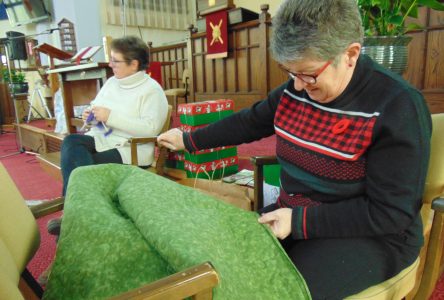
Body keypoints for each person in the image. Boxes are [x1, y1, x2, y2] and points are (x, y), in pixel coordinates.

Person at [157, 0, 431, 299]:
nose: (299, 86)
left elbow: (390, 213)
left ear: (350, 54)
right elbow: (249, 122)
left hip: (370, 235)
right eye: (291, 72)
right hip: (293, 215)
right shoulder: (296, 89)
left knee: (273, 291)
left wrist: (300, 222)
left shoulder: (396, 105)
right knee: (216, 262)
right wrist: (188, 140)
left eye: (309, 74)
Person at [42, 36, 168, 277]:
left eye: (116, 61)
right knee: (71, 142)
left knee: (82, 171)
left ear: (134, 64)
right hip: (103, 139)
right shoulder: (112, 83)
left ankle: (72, 221)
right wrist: (91, 114)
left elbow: (150, 129)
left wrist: (109, 116)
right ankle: (78, 216)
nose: (111, 65)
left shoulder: (152, 90)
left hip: (130, 149)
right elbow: (97, 109)